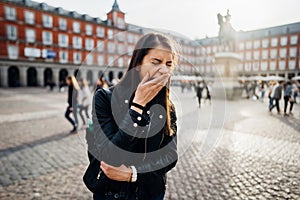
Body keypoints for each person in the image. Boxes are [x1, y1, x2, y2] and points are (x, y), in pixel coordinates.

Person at [87, 33, 178, 200]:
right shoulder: (105, 98)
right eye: (156, 62)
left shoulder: (167, 105)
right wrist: (137, 107)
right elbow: (109, 156)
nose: (164, 70)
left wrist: (134, 174)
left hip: (151, 193)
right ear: (138, 64)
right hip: (113, 195)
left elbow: (170, 156)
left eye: (169, 64)